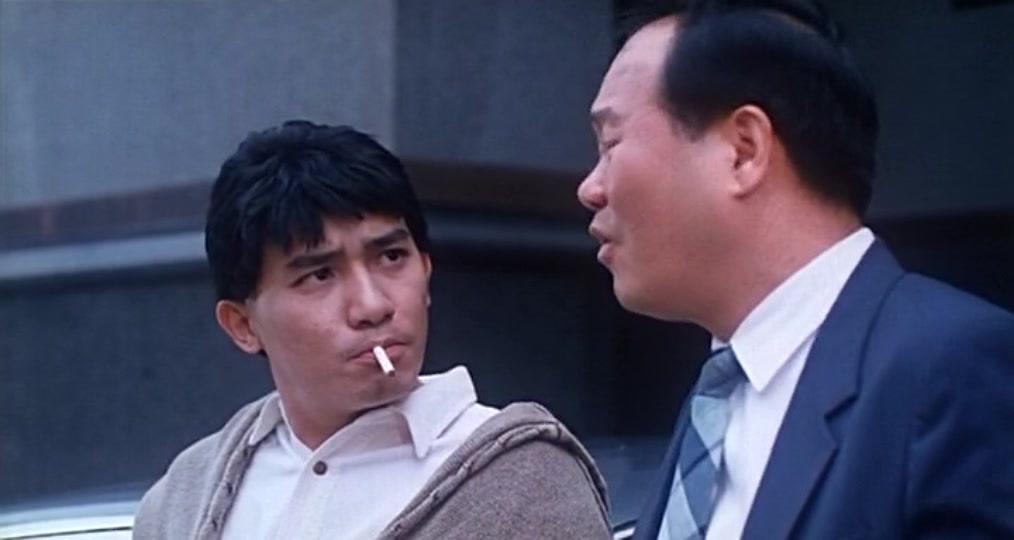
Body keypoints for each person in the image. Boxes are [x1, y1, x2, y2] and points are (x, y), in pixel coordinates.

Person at [577, 1, 1014, 538]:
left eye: (610, 143)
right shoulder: (719, 397)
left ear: (743, 151)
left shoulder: (953, 368)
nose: (590, 188)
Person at [134, 120, 611, 539]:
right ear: (243, 325)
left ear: (426, 271)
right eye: (319, 275)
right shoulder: (185, 498)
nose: (372, 305)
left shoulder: (521, 483)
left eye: (392, 257)